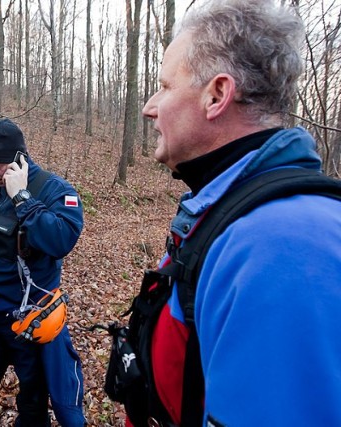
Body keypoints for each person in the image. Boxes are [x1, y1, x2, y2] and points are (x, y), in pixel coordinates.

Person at [130, 0, 341, 426]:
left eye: (166, 86)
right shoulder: (233, 212)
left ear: (217, 95)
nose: (151, 107)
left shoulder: (283, 244)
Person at [0, 118, 86, 426]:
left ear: (19, 159)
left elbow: (61, 240)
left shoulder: (55, 190)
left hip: (32, 319)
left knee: (34, 400)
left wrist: (22, 198)